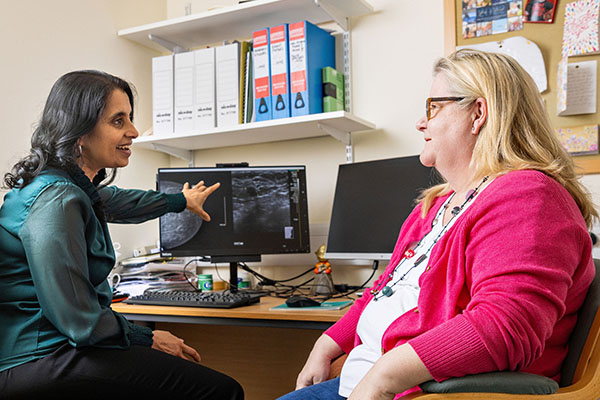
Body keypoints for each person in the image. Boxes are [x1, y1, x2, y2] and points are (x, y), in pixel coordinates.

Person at [277, 49, 597, 399]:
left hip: (426, 393)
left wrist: (382, 378)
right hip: (367, 384)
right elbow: (385, 290)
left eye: (434, 107)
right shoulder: (437, 204)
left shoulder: (529, 196)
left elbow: (504, 325)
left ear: (478, 114)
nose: (420, 122)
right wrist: (326, 345)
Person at [0, 70, 244, 399]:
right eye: (118, 121)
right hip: (42, 358)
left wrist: (180, 200)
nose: (133, 131)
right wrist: (148, 337)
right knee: (222, 391)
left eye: (129, 118)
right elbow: (80, 322)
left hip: (55, 350)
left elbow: (118, 201)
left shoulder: (64, 186)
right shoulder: (56, 200)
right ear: (79, 133)